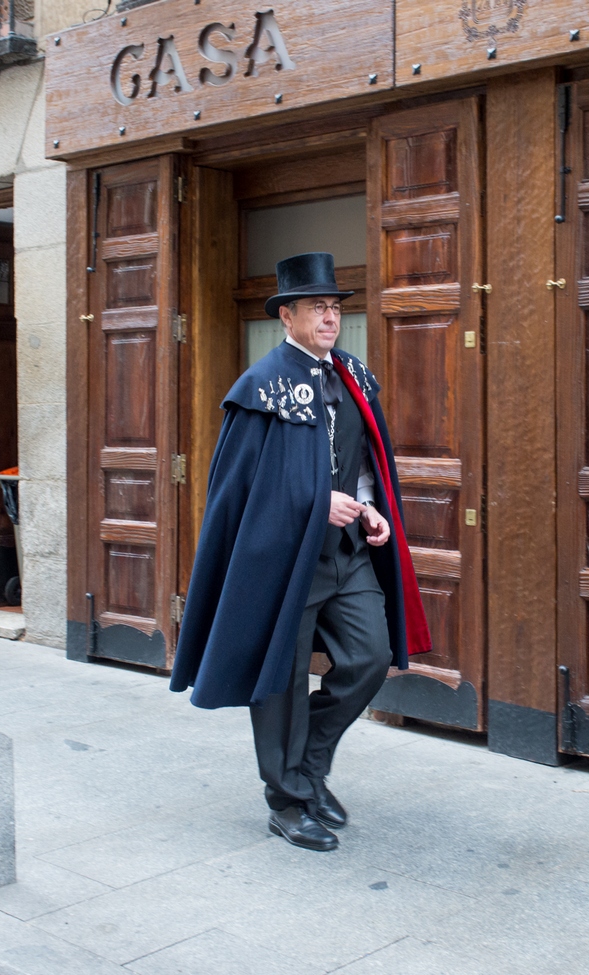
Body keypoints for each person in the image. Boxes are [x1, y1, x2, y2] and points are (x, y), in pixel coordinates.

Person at [170, 252, 431, 852]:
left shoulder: (354, 376)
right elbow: (237, 488)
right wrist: (314, 504)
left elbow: (362, 459)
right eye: (317, 308)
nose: (330, 317)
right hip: (285, 560)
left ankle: (307, 767)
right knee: (282, 682)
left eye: (335, 307)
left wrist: (367, 505)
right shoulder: (260, 387)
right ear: (286, 316)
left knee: (370, 657)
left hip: (347, 555)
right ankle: (287, 800)